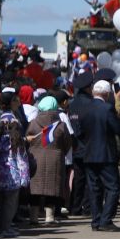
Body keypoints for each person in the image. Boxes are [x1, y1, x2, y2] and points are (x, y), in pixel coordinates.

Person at [69, 78, 120, 232]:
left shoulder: (84, 109)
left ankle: (96, 221)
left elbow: (79, 132)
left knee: (94, 188)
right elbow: (117, 128)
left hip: (88, 154)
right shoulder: (107, 108)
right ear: (107, 94)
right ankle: (106, 220)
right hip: (106, 154)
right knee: (113, 187)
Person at [0, 96, 30, 239]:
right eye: (16, 100)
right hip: (10, 166)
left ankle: (4, 226)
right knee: (10, 199)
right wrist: (23, 140)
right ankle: (5, 227)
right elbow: (8, 143)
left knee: (4, 199)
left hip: (3, 166)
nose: (19, 103)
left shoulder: (4, 119)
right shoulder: (10, 122)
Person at [25, 96, 69, 224]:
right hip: (55, 158)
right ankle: (49, 216)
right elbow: (67, 143)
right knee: (52, 187)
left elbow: (28, 140)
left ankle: (33, 217)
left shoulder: (33, 123)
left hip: (35, 158)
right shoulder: (61, 125)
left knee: (35, 188)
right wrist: (60, 152)